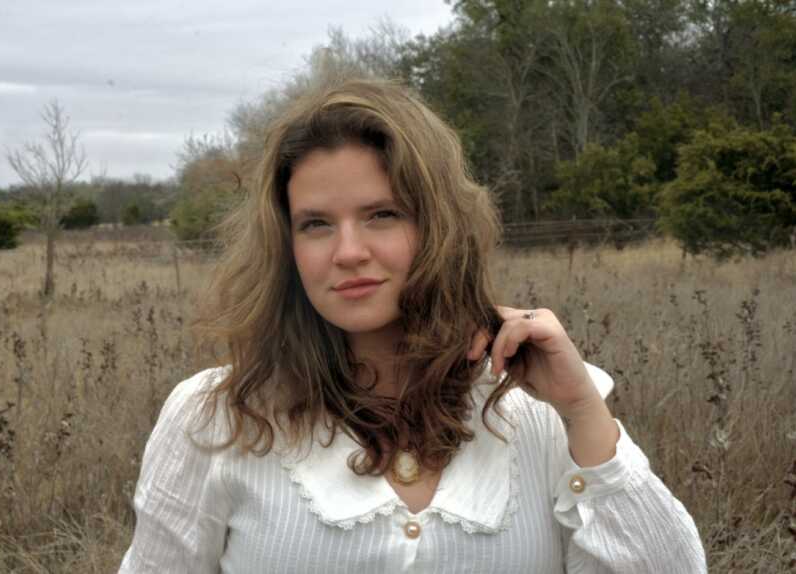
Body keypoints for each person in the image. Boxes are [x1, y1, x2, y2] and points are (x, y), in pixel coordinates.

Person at [119, 77, 707, 573]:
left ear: (439, 226)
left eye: (382, 215)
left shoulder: (539, 416)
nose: (347, 252)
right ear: (286, 247)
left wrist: (582, 410)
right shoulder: (219, 417)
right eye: (316, 224)